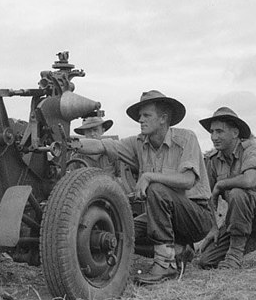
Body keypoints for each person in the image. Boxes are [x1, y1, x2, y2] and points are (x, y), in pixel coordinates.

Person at [76, 91, 214, 285]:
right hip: (161, 217)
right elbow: (101, 146)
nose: (140, 120)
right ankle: (180, 251)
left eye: (146, 115)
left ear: (163, 119)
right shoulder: (138, 143)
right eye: (140, 116)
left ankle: (165, 265)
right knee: (122, 232)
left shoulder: (186, 139)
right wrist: (70, 144)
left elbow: (188, 180)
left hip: (195, 216)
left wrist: (148, 176)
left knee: (157, 188)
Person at [196, 107, 256, 269]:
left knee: (238, 192)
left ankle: (234, 256)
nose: (214, 137)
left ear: (235, 133)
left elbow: (249, 181)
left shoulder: (252, 150)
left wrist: (221, 184)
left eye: (220, 132)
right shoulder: (213, 160)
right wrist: (213, 228)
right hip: (239, 219)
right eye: (212, 132)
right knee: (206, 260)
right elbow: (207, 196)